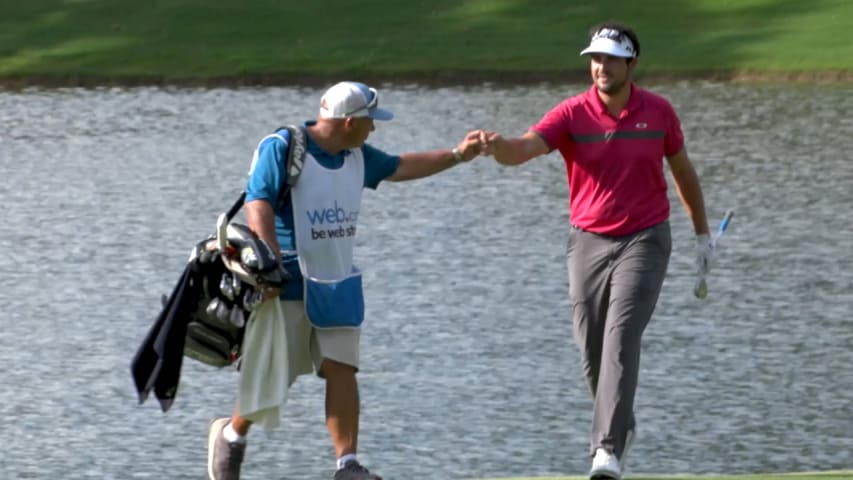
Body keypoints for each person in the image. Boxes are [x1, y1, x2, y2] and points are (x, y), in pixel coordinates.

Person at [206, 81, 484, 480]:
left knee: (342, 368)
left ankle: (347, 464)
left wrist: (459, 155)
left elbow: (401, 166)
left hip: (336, 283)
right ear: (350, 122)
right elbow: (258, 201)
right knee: (272, 380)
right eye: (371, 122)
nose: (374, 129)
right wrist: (269, 265)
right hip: (285, 284)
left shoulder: (356, 155)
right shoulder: (282, 147)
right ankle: (230, 437)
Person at [477, 23, 713, 480]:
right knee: (591, 350)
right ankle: (621, 423)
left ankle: (606, 450)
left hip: (645, 237)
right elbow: (524, 148)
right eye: (595, 58)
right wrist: (497, 147)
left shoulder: (659, 113)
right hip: (587, 240)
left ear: (631, 64)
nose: (600, 67)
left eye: (610, 59)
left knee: (621, 336)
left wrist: (701, 235)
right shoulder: (572, 113)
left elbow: (683, 173)